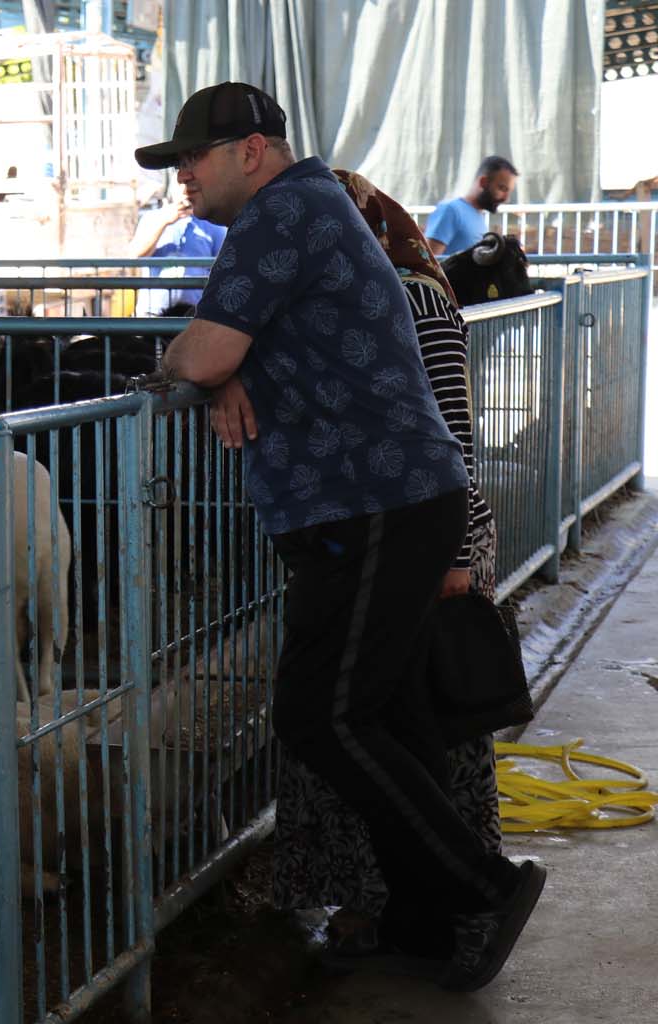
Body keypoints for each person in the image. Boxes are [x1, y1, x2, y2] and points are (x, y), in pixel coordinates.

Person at [139, 81, 545, 992]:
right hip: (379, 502)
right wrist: (215, 373)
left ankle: (482, 889)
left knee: (322, 713)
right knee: (389, 714)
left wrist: (201, 370)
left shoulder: (282, 214)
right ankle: (426, 921)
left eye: (192, 160)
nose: (183, 181)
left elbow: (203, 348)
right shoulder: (309, 208)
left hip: (373, 504)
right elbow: (221, 351)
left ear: (250, 150)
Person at [271, 167, 506, 964]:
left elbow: (451, 430)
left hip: (427, 537)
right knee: (374, 724)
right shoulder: (340, 298)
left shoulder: (413, 295)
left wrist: (459, 552)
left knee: (419, 729)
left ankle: (463, 910)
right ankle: (390, 910)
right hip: (375, 532)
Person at [129, 184, 227, 312]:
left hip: (194, 314)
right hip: (153, 313)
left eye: (189, 185)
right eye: (181, 185)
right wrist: (165, 222)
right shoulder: (151, 218)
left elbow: (223, 270)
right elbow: (135, 255)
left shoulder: (214, 225)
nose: (185, 191)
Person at [425, 156, 518, 258]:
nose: (506, 198)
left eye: (509, 191)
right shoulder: (451, 210)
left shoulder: (478, 216)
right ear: (483, 182)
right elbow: (429, 262)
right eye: (502, 188)